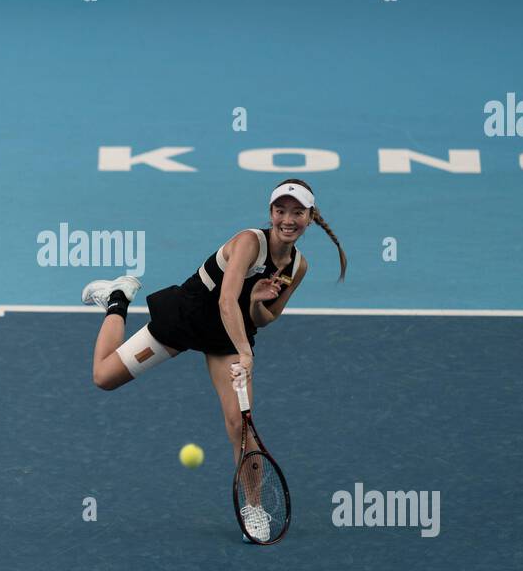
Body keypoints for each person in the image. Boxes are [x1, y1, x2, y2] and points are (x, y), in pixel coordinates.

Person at [81, 179, 347, 536]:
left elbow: (264, 318)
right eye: (280, 210)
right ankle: (117, 298)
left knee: (241, 424)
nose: (288, 219)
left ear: (310, 217)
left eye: (297, 212)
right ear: (270, 213)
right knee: (104, 377)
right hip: (190, 315)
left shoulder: (297, 267)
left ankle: (254, 508)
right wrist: (246, 352)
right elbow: (225, 301)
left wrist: (256, 301)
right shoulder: (249, 242)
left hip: (228, 335)